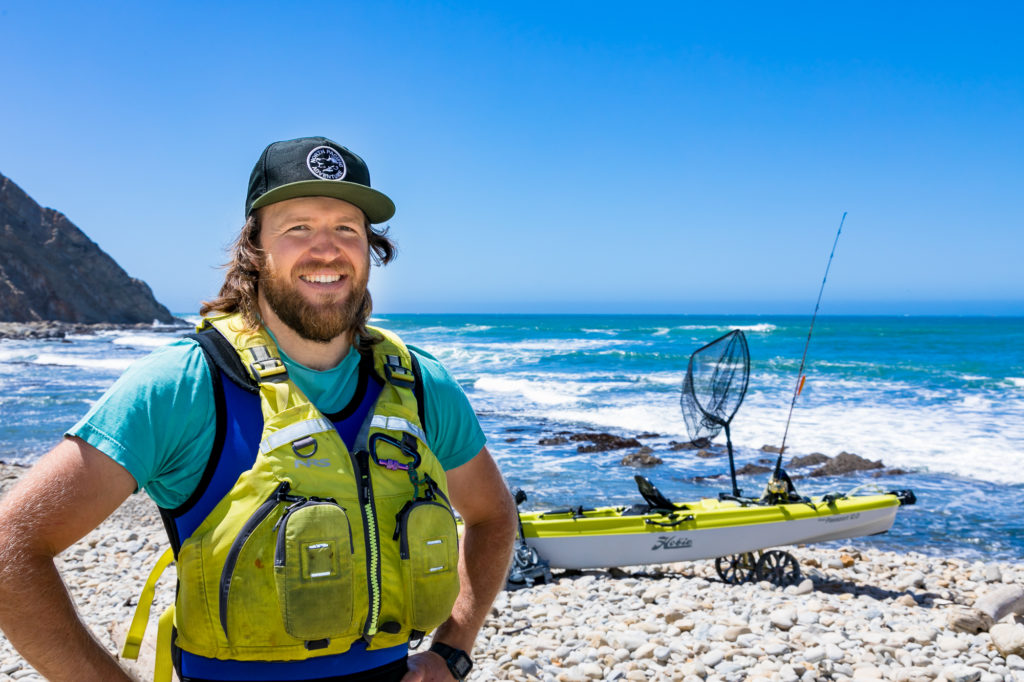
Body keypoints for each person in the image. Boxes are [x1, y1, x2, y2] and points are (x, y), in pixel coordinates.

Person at [0, 136, 518, 682]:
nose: (327, 249)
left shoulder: (419, 384)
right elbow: (12, 549)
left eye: (347, 228)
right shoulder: (186, 385)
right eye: (298, 227)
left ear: (370, 247)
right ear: (254, 245)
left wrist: (453, 649)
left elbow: (492, 514)